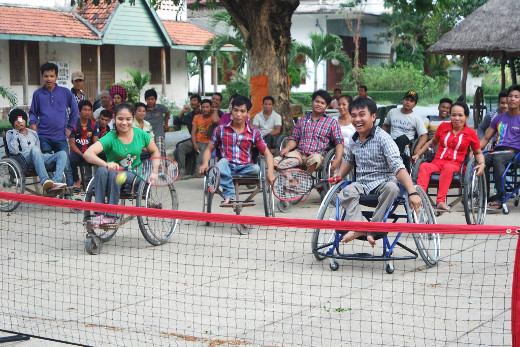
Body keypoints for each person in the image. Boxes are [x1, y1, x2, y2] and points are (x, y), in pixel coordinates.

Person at [332, 98, 421, 246]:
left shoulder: (383, 138)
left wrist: (412, 192)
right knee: (345, 191)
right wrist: (339, 175)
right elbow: (349, 161)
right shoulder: (354, 139)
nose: (357, 119)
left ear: (373, 116)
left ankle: (373, 227)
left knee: (393, 187)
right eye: (353, 116)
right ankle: (360, 227)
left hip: (383, 182)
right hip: (362, 183)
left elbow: (398, 167)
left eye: (362, 115)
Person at [83, 103, 160, 226]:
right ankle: (100, 214)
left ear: (132, 118)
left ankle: (112, 216)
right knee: (101, 171)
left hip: (135, 174)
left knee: (115, 175)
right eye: (120, 119)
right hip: (113, 173)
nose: (124, 123)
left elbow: (155, 151)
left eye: (128, 119)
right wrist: (106, 164)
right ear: (114, 118)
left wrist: (155, 172)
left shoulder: (141, 135)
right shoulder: (110, 137)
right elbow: (88, 154)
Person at [199, 95, 275, 205]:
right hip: (226, 166)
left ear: (247, 113)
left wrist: (271, 172)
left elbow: (267, 154)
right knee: (220, 164)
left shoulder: (254, 133)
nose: (238, 114)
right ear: (231, 111)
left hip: (246, 168)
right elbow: (209, 149)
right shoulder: (220, 130)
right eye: (236, 110)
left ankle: (229, 191)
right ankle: (229, 194)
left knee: (257, 168)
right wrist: (205, 163)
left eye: (242, 111)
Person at [412, 101, 485, 212]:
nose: (456, 118)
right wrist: (418, 154)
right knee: (424, 166)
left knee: (448, 168)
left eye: (460, 115)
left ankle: (441, 201)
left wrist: (481, 164)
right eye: (453, 115)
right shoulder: (443, 127)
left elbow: (478, 153)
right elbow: (432, 143)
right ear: (450, 116)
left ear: (466, 117)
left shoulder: (470, 133)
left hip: (456, 165)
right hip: (437, 162)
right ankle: (420, 200)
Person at [29, 62, 78, 188]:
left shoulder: (65, 92)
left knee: (66, 166)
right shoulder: (37, 94)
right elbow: (33, 112)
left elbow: (75, 111)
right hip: (43, 136)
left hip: (60, 136)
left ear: (56, 77)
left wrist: (70, 128)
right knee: (48, 165)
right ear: (43, 77)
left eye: (51, 76)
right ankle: (52, 192)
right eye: (46, 76)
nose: (48, 79)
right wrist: (33, 124)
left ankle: (70, 196)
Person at [275, 89, 343, 174]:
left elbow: (339, 142)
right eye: (317, 101)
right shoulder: (302, 120)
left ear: (326, 106)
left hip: (318, 155)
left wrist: (338, 159)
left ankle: (303, 181)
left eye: (322, 103)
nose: (319, 104)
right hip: (299, 154)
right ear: (312, 102)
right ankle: (292, 180)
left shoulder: (332, 123)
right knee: (275, 161)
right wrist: (287, 148)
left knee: (315, 159)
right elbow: (294, 139)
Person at [480, 84, 520, 211]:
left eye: (516, 96)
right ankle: (483, 196)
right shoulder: (499, 118)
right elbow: (486, 138)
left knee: (499, 160)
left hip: (514, 152)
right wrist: (475, 152)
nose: (512, 99)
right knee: (482, 159)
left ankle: (499, 198)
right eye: (510, 96)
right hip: (497, 149)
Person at [6, 109, 67, 191]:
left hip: (38, 157)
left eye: (21, 119)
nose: (19, 122)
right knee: (34, 149)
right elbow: (13, 151)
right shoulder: (10, 133)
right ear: (13, 122)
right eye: (16, 120)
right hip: (23, 160)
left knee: (62, 154)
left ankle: (55, 182)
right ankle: (44, 180)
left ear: (25, 120)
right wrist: (16, 132)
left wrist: (39, 156)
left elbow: (38, 149)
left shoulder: (33, 133)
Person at [382, 90, 428, 169]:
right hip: (391, 141)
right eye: (406, 100)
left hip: (406, 144)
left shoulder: (416, 117)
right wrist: (382, 136)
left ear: (415, 104)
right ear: (403, 100)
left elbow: (424, 135)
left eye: (411, 101)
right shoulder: (392, 112)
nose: (408, 102)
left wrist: (417, 148)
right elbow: (386, 125)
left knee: (402, 138)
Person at [178, 99, 218, 178]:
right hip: (196, 141)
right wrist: (195, 144)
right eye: (203, 107)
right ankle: (182, 171)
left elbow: (215, 121)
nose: (205, 109)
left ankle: (197, 175)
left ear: (210, 108)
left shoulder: (213, 117)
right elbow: (193, 132)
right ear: (201, 108)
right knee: (181, 147)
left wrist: (215, 111)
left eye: (207, 107)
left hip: (207, 143)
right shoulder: (197, 117)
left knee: (200, 160)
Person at [69, 100, 99, 188]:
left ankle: (98, 182)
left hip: (90, 151)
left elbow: (95, 142)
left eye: (89, 110)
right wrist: (82, 155)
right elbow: (72, 144)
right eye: (85, 110)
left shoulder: (94, 125)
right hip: (77, 152)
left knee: (104, 156)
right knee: (71, 159)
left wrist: (90, 153)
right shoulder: (73, 124)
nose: (87, 112)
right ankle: (77, 180)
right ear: (79, 111)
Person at [174, 94, 201, 176]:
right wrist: (183, 111)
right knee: (179, 148)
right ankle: (182, 171)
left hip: (203, 139)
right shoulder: (189, 116)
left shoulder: (203, 113)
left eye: (194, 100)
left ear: (199, 103)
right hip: (193, 139)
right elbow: (176, 122)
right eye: (191, 100)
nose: (192, 102)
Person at [144, 89, 169, 158]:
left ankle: (162, 168)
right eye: (148, 99)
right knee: (149, 155)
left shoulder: (160, 107)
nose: (150, 101)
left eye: (152, 99)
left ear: (155, 99)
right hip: (148, 136)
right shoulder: (144, 110)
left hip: (159, 134)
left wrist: (166, 124)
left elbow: (167, 111)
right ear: (145, 100)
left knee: (160, 153)